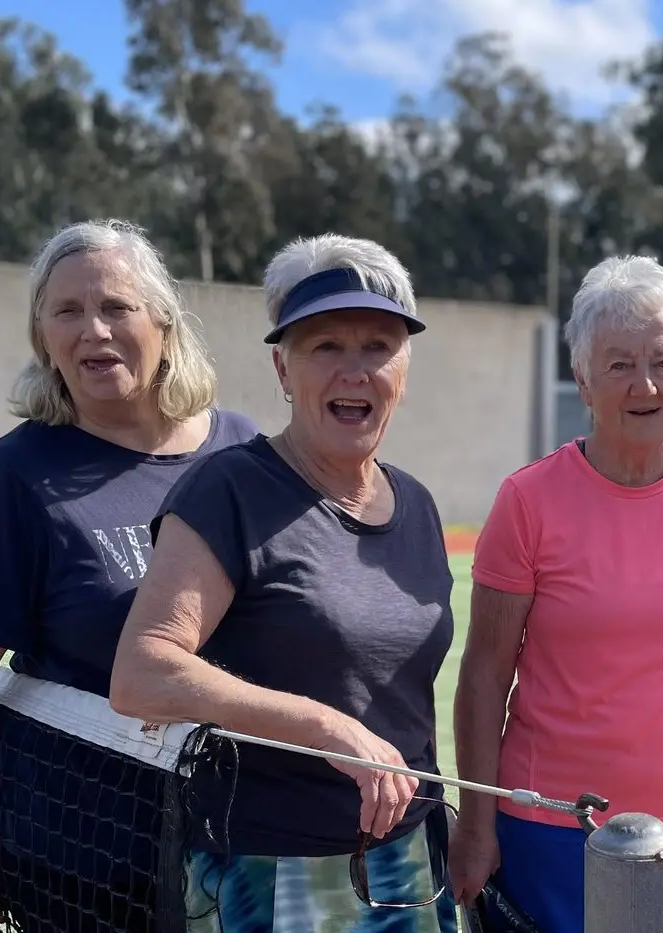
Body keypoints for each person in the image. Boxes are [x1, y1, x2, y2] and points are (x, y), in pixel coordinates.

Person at [109, 233, 458, 933]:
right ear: (283, 368)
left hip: (406, 863)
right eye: (325, 346)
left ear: (405, 368)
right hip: (270, 873)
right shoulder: (229, 489)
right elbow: (141, 673)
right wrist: (328, 728)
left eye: (378, 346)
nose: (354, 370)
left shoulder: (416, 502)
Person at [0, 219, 258, 933]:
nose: (93, 330)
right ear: (42, 337)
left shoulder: (245, 453)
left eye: (116, 307)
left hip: (249, 849)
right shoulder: (7, 482)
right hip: (85, 867)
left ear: (163, 322)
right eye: (66, 312)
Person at [449, 255, 663, 933]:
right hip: (554, 825)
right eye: (620, 363)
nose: (645, 383)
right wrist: (478, 824)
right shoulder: (527, 501)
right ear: (583, 381)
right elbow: (484, 675)